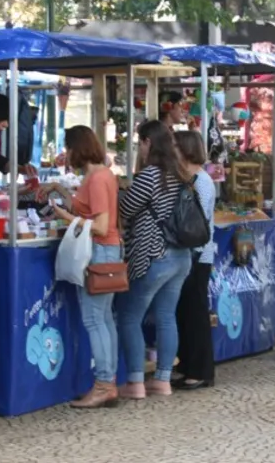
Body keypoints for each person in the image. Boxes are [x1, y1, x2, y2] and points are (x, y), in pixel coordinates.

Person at [35, 126, 122, 408]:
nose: (66, 153)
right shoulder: (101, 174)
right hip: (108, 250)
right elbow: (87, 208)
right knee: (105, 318)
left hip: (99, 250)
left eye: (68, 147)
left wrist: (64, 216)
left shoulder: (96, 179)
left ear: (77, 148)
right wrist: (59, 189)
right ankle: (108, 381)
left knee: (95, 319)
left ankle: (103, 384)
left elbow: (99, 224)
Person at [114, 121, 192, 398]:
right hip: (181, 256)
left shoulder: (150, 176)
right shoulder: (180, 173)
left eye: (140, 142)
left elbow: (126, 208)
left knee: (128, 316)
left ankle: (135, 382)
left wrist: (119, 190)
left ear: (148, 142)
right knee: (166, 316)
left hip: (153, 255)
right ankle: (162, 380)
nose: (139, 147)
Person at [172, 131, 217, 390]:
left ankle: (200, 370)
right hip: (191, 253)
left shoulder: (201, 181)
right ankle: (187, 364)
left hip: (198, 254)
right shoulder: (189, 179)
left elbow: (194, 220)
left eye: (176, 147)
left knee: (196, 313)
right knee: (184, 312)